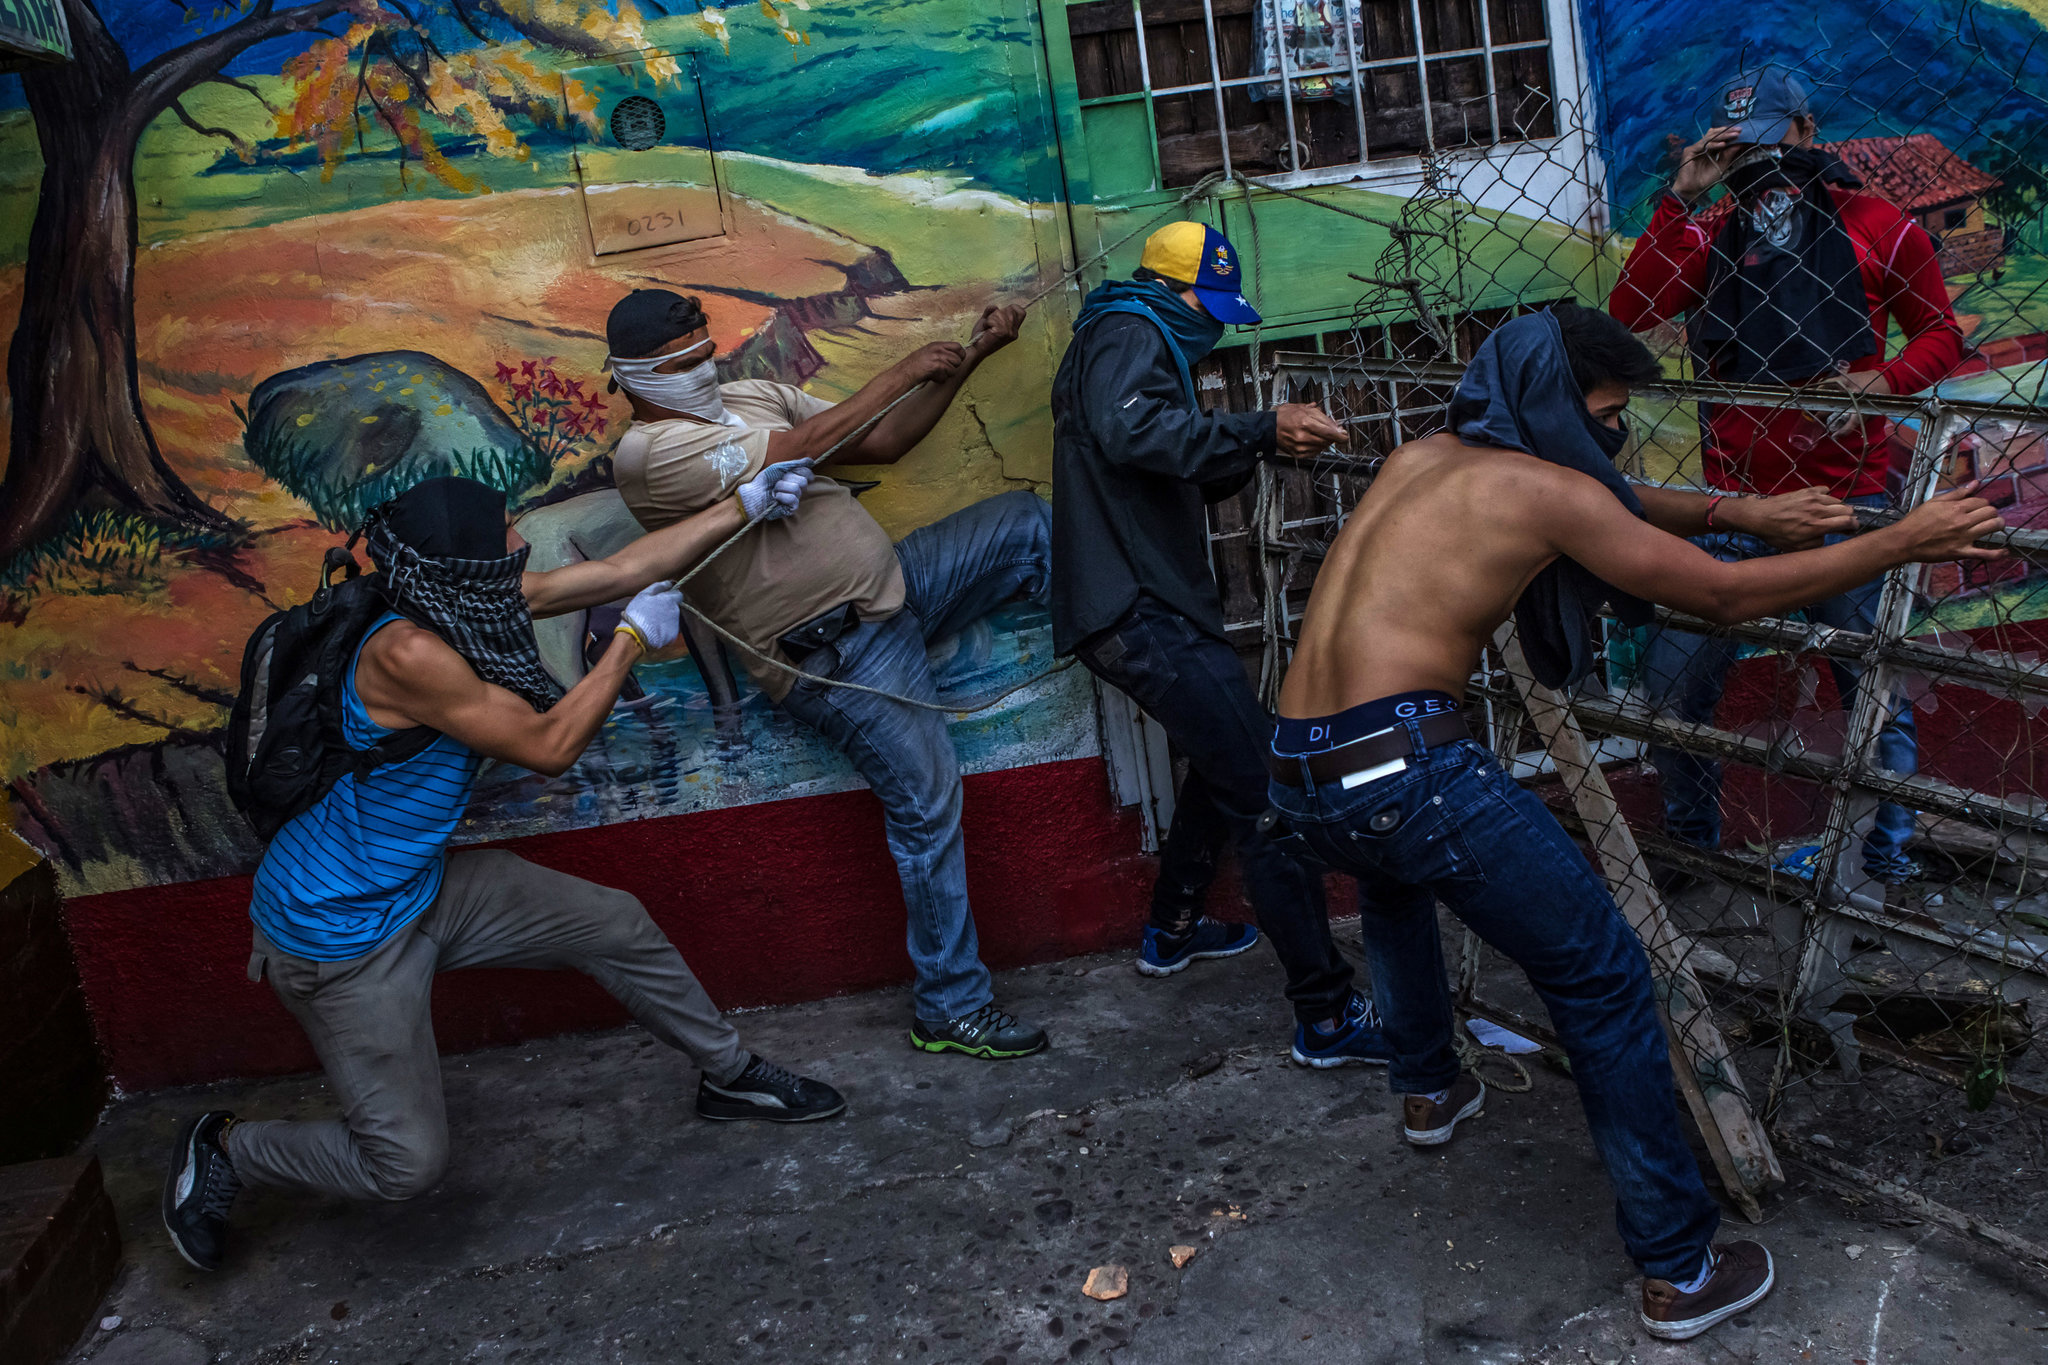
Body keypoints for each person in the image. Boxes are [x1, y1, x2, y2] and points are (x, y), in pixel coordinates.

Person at [1265, 304, 2002, 1340]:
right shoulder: (1544, 491)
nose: (1613, 436)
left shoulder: (1424, 456)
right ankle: (1677, 1269)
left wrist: (1735, 511)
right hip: (1406, 769)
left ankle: (1427, 1087)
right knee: (1603, 977)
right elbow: (1722, 601)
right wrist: (1902, 536)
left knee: (1392, 885)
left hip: (1299, 767)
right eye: (1606, 415)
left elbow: (1607, 501)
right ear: (1561, 409)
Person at [164, 473, 844, 1273]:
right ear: (468, 568)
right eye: (507, 537)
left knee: (615, 921)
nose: (522, 542)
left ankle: (729, 1075)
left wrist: (747, 502)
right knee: (405, 1166)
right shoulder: (409, 650)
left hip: (421, 889)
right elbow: (550, 748)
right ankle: (229, 1148)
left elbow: (619, 571)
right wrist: (626, 641)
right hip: (339, 936)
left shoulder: (448, 594)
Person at [602, 288, 1054, 1060]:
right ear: (632, 375)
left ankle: (1140, 645)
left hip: (896, 593)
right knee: (927, 806)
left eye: (703, 352)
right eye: (678, 364)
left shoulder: (747, 396)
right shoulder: (649, 458)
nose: (700, 371)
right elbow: (802, 444)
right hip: (837, 656)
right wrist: (905, 366)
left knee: (1027, 527)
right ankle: (951, 1005)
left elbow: (881, 440)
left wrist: (974, 355)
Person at [1609, 64, 1967, 885]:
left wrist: (1886, 379)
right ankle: (1691, 844)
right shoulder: (1710, 233)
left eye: (1774, 146)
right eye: (1742, 154)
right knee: (1674, 683)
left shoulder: (1878, 225)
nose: (1761, 167)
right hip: (1736, 505)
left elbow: (1940, 333)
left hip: (1848, 502)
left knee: (1869, 686)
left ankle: (1887, 856)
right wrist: (1685, 193)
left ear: (1807, 133)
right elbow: (1630, 315)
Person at [1051, 220, 1392, 1068]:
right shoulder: (1130, 329)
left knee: (1224, 755)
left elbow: (1163, 454)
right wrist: (1259, 428)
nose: (1214, 329)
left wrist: (1250, 445)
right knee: (1268, 803)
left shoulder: (1130, 333)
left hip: (1143, 604)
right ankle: (1327, 1014)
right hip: (1138, 607)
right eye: (1208, 307)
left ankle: (1170, 927)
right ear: (1171, 291)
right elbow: (1135, 435)